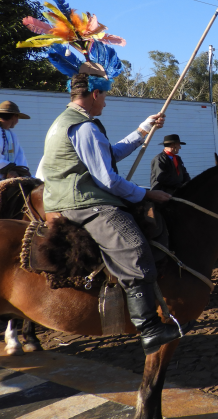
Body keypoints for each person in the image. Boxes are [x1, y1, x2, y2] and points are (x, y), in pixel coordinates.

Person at [39, 57, 190, 356]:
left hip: (74, 198)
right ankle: (148, 328)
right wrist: (145, 194)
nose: (106, 103)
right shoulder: (83, 127)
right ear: (95, 94)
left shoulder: (73, 122)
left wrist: (143, 130)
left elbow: (109, 154)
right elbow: (108, 179)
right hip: (85, 203)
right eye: (105, 96)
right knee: (134, 248)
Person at [0, 101, 31, 179]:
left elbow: (20, 157)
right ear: (14, 117)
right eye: (17, 117)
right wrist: (9, 170)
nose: (17, 121)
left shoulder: (12, 135)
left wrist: (19, 171)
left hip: (12, 176)